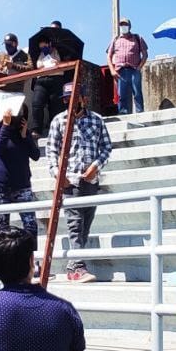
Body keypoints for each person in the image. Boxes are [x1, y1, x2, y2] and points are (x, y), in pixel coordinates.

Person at [46, 80, 113, 284]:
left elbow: (107, 148)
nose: (70, 103)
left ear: (84, 99)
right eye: (67, 99)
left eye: (74, 98)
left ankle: (72, 265)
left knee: (85, 226)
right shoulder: (59, 121)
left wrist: (96, 166)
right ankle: (79, 268)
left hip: (90, 181)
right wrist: (59, 175)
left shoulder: (97, 120)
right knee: (75, 224)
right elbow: (51, 152)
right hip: (70, 182)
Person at [0, 104, 41, 244]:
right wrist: (6, 126)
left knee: (31, 227)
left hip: (22, 186)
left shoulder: (24, 132)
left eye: (22, 115)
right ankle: (5, 263)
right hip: (1, 188)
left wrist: (26, 137)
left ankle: (31, 260)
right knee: (2, 229)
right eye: (16, 114)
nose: (18, 117)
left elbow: (36, 155)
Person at [106, 17, 149, 115]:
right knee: (122, 94)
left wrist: (139, 67)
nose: (123, 26)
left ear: (129, 26)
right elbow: (108, 56)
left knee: (137, 92)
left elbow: (145, 54)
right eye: (121, 24)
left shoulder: (137, 38)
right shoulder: (115, 39)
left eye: (125, 24)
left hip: (134, 69)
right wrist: (112, 70)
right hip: (120, 71)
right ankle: (123, 113)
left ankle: (140, 112)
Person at [30, 33, 66, 136]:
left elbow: (61, 62)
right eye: (41, 47)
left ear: (49, 44)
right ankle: (36, 129)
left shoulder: (57, 50)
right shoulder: (40, 54)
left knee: (56, 105)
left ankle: (55, 128)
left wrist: (56, 62)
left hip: (56, 78)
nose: (43, 48)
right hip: (41, 80)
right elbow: (38, 65)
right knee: (37, 102)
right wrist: (44, 62)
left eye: (44, 46)